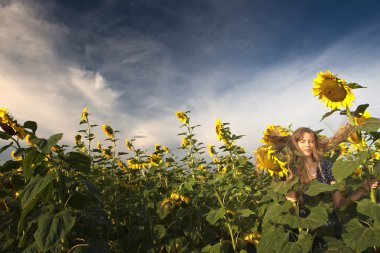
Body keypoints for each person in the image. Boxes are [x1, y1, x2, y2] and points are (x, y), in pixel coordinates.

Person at [284, 126, 378, 249]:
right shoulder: (289, 170)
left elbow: (339, 203)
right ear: (295, 144)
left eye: (311, 141)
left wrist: (364, 188)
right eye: (302, 141)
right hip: (301, 232)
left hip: (327, 229)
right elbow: (285, 211)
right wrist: (289, 201)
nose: (307, 145)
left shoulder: (326, 166)